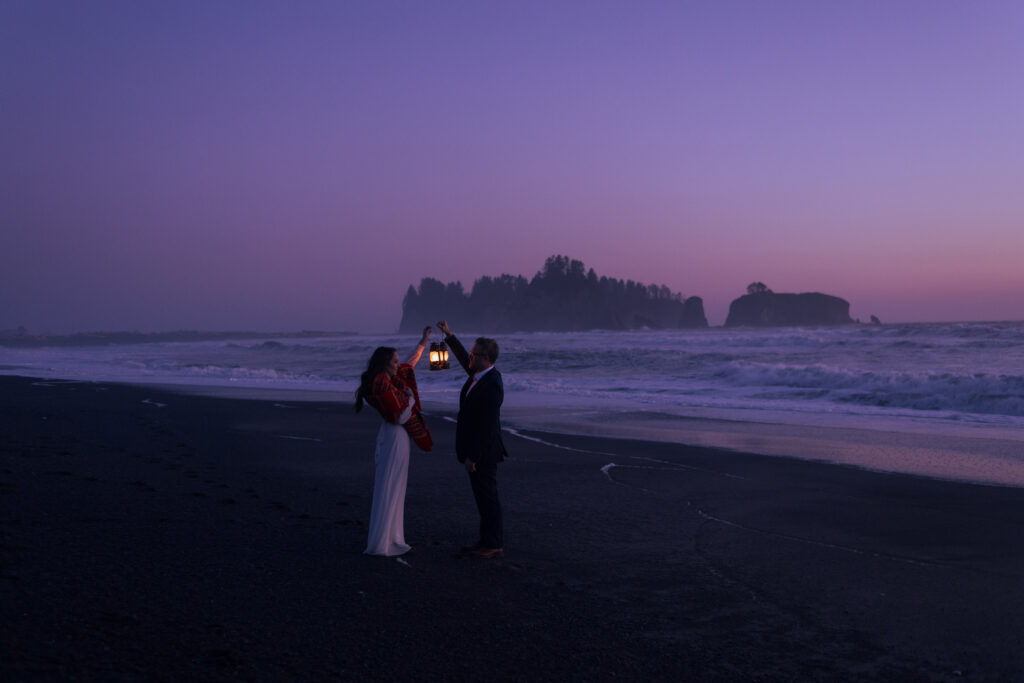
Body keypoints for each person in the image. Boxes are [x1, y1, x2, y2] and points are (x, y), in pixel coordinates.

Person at [354, 327, 432, 556]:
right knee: (391, 485)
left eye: (397, 361)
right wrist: (408, 399)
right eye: (394, 362)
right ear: (385, 364)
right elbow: (399, 416)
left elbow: (409, 363)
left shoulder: (388, 381)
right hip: (395, 435)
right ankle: (384, 542)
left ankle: (392, 536)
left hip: (392, 435)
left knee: (394, 485)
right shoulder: (383, 386)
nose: (398, 365)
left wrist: (423, 341)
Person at [437, 320, 507, 559]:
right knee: (482, 497)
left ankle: (494, 544)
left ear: (485, 357)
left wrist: (473, 456)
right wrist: (449, 335)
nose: (469, 356)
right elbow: (460, 357)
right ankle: (485, 541)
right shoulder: (478, 374)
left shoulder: (492, 384)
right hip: (478, 451)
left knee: (488, 497)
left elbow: (487, 427)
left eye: (473, 353)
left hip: (484, 453)